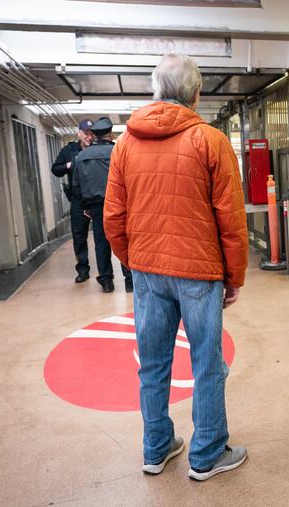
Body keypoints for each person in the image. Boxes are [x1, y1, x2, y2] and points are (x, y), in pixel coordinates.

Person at [104, 54, 249, 481]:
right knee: (207, 363)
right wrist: (234, 276)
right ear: (196, 94)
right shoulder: (210, 141)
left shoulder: (125, 143)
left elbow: (113, 217)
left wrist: (136, 261)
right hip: (199, 272)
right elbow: (230, 218)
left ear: (156, 90)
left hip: (148, 272)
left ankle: (156, 447)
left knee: (152, 363)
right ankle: (207, 454)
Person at [74, 117, 132, 293]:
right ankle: (129, 281)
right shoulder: (118, 152)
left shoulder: (81, 156)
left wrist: (85, 206)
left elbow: (77, 185)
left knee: (101, 243)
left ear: (95, 135)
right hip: (119, 204)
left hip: (96, 207)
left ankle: (106, 281)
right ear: (110, 134)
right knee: (123, 239)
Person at [51, 119, 93, 283]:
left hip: (97, 200)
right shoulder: (69, 150)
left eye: (91, 134)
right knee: (79, 236)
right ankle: (82, 270)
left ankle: (106, 273)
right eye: (86, 133)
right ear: (79, 133)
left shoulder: (97, 149)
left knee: (103, 237)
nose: (89, 137)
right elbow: (56, 169)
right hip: (78, 201)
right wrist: (68, 165)